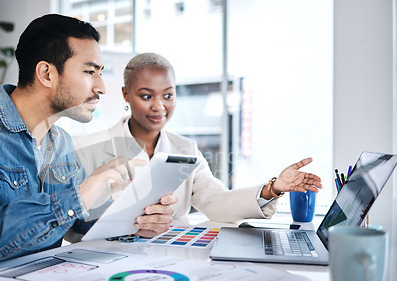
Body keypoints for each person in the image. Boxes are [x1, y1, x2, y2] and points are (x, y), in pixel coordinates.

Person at [0, 16, 175, 281]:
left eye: (100, 71)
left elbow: (79, 220)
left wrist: (138, 217)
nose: (101, 87)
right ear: (46, 74)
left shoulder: (59, 141)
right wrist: (81, 196)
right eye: (90, 71)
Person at [73, 52, 322, 224]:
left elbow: (216, 201)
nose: (159, 106)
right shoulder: (87, 149)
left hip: (174, 261)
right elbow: (74, 225)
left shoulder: (185, 148)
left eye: (168, 96)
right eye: (147, 96)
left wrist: (273, 188)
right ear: (126, 95)